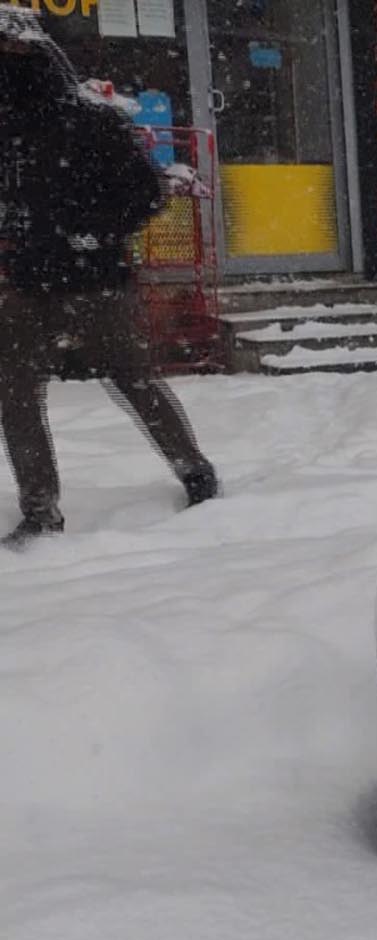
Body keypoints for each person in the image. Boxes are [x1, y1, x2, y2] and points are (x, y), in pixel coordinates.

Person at [0, 10, 217, 551]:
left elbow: (144, 192)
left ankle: (195, 472)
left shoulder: (90, 120)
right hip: (27, 282)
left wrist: (92, 235)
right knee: (16, 392)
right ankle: (41, 511)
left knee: (131, 379)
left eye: (19, 56)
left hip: (96, 279)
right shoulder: (5, 130)